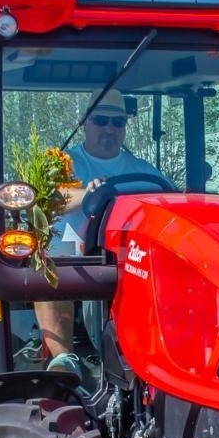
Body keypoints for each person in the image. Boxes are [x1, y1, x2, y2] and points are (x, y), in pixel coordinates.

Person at [36, 90, 167, 370]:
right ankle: (64, 362)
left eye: (117, 122)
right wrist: (87, 194)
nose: (109, 128)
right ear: (85, 122)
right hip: (74, 255)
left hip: (129, 259)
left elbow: (170, 204)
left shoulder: (145, 171)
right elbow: (46, 200)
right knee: (49, 267)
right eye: (101, 120)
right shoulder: (64, 163)